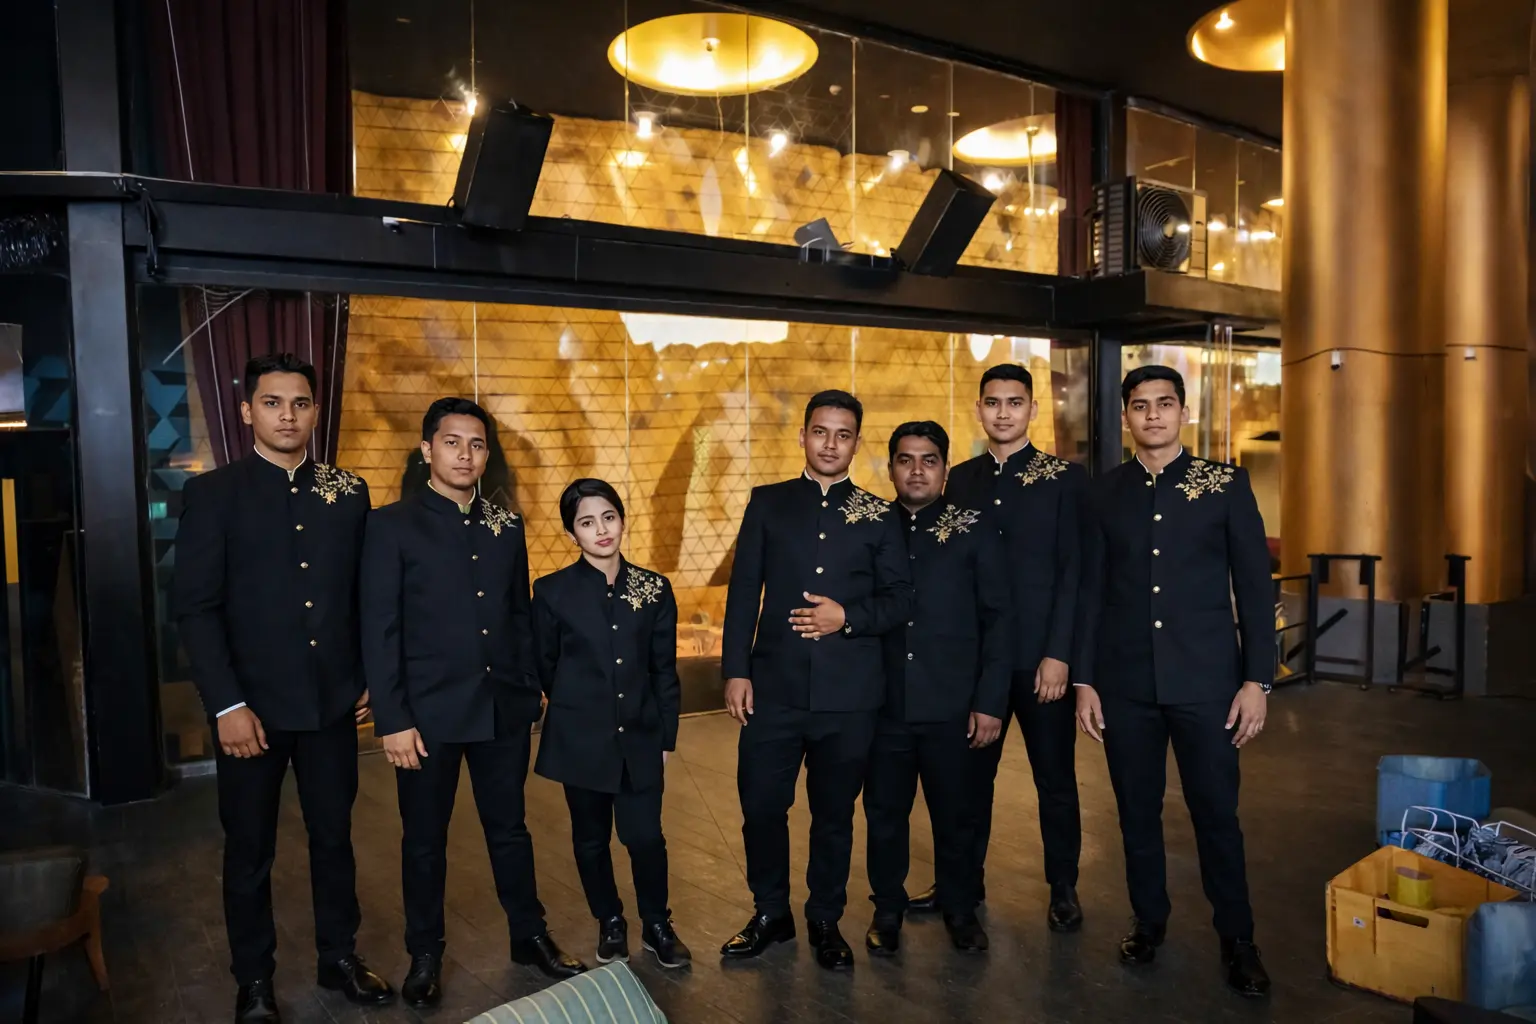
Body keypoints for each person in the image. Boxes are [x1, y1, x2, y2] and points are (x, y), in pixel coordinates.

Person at [173, 353, 393, 1024]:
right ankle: (254, 981)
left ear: (315, 411)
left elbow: (364, 595)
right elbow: (196, 609)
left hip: (331, 704)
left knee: (335, 838)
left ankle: (339, 958)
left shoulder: (348, 490)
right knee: (250, 851)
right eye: (272, 403)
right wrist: (227, 705)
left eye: (299, 403)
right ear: (247, 411)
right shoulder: (214, 494)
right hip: (253, 712)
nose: (287, 415)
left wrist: (369, 676)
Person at [361, 397, 586, 1008]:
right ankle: (425, 954)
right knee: (424, 840)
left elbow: (518, 615)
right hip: (426, 716)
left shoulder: (505, 524)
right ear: (426, 450)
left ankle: (529, 935)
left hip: (501, 707)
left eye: (477, 444)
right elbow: (380, 627)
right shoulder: (390, 525)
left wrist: (530, 687)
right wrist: (393, 719)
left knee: (510, 829)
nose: (465, 455)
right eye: (452, 442)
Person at [1073, 364, 1272, 998]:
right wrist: (1085, 680)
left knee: (1216, 813)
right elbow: (1090, 592)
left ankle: (1238, 938)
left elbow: (1254, 587)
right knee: (1136, 812)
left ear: (1184, 412)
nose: (1153, 414)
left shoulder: (1224, 484)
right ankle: (1148, 920)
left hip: (1209, 684)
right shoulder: (1104, 493)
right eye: (1140, 405)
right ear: (1126, 417)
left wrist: (1258, 680)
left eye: (1164, 403)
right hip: (1125, 684)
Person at [719, 390, 914, 970]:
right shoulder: (768, 502)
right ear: (802, 435)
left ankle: (825, 918)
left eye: (843, 434)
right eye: (821, 432)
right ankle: (770, 912)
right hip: (773, 688)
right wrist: (735, 670)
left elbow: (900, 600)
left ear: (856, 443)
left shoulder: (879, 514)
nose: (831, 444)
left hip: (849, 696)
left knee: (834, 814)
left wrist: (846, 617)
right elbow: (743, 592)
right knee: (761, 805)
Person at [910, 363, 1087, 933]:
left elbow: (1074, 573)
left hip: (1040, 661)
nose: (1003, 412)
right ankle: (961, 883)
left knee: (1054, 780)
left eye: (1014, 402)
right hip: (975, 664)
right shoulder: (959, 480)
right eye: (993, 402)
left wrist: (1060, 654)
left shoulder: (1065, 479)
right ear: (979, 409)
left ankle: (1063, 887)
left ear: (1033, 409)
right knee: (966, 783)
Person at [861, 422, 1011, 958]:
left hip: (954, 705)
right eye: (905, 460)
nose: (917, 470)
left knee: (957, 815)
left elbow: (999, 620)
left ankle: (960, 909)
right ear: (890, 468)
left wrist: (990, 702)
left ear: (945, 469)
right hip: (884, 704)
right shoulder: (870, 528)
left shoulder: (975, 527)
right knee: (884, 815)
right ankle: (887, 910)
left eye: (929, 460)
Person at [532, 478, 692, 969]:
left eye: (608, 517)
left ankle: (658, 925)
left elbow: (664, 670)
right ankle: (610, 920)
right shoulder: (552, 592)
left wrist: (665, 737)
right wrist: (581, 709)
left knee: (645, 837)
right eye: (586, 522)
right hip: (581, 739)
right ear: (571, 534)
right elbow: (546, 665)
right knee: (590, 839)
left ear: (622, 520)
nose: (601, 530)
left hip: (641, 736)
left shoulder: (654, 588)